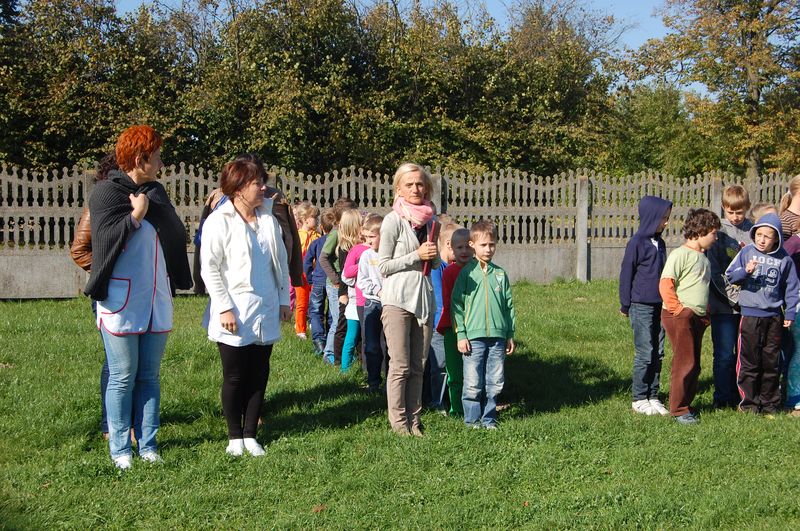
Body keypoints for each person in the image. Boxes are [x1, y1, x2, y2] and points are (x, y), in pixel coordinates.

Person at [85, 125, 192, 469]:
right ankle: (119, 450)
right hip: (120, 301)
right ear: (140, 158)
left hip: (155, 299)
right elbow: (103, 242)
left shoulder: (156, 192)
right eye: (157, 156)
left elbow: (175, 233)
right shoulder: (105, 193)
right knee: (122, 375)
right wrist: (135, 216)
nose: (161, 163)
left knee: (149, 376)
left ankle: (148, 445)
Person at [200, 160, 291, 457]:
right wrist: (224, 308)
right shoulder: (220, 220)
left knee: (259, 373)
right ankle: (234, 436)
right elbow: (210, 268)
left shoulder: (268, 219)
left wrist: (282, 300)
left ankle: (251, 433)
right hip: (235, 310)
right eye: (256, 183)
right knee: (235, 375)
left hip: (265, 307)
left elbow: (280, 263)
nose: (263, 187)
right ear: (238, 189)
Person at [379, 162, 440, 436]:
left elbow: (436, 263)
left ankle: (415, 420)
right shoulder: (393, 220)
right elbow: (383, 266)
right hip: (397, 300)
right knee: (400, 365)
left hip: (424, 299)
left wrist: (434, 256)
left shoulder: (432, 221)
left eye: (420, 184)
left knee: (419, 365)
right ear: (399, 189)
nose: (416, 189)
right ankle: (399, 423)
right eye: (409, 184)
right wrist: (417, 255)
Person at [192, 153, 303, 295]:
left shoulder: (275, 200)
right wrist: (200, 284)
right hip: (230, 284)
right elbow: (204, 245)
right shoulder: (218, 201)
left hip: (270, 278)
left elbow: (289, 237)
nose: (261, 187)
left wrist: (293, 277)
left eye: (260, 179)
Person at [725, 213, 800, 414]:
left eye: (767, 236)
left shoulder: (784, 259)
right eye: (759, 234)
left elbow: (792, 288)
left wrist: (790, 313)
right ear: (754, 234)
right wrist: (745, 272)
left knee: (771, 362)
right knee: (749, 361)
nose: (762, 239)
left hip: (774, 317)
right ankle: (749, 404)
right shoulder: (747, 252)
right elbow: (731, 276)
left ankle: (769, 405)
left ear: (776, 238)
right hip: (749, 316)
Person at [70, 152, 118, 440]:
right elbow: (78, 249)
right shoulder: (100, 202)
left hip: (138, 293)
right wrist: (105, 269)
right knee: (114, 361)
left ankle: (130, 420)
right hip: (108, 291)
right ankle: (108, 426)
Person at [451, 220, 516, 429]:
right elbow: (457, 305)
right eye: (483, 245)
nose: (488, 249)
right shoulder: (467, 273)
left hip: (497, 338)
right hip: (473, 338)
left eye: (492, 244)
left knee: (495, 381)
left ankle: (489, 419)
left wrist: (509, 333)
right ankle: (472, 421)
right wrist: (461, 334)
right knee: (472, 382)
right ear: (472, 245)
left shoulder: (500, 274)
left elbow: (508, 306)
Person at [659, 208, 720, 425]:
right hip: (681, 316)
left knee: (694, 364)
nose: (716, 238)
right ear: (700, 231)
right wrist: (679, 310)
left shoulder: (703, 257)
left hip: (698, 317)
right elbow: (666, 283)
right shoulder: (680, 254)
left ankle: (686, 404)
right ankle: (678, 409)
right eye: (713, 233)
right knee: (685, 362)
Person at [618, 196, 673, 416]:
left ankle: (653, 395)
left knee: (658, 352)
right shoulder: (637, 243)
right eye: (664, 219)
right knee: (645, 352)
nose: (666, 223)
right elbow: (626, 274)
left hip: (661, 305)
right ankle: (639, 397)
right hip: (640, 305)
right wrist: (625, 304)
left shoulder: (660, 243)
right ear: (651, 217)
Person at [706, 185, 752, 409]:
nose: (735, 217)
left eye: (739, 212)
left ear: (747, 209)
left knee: (744, 353)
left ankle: (742, 396)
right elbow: (715, 273)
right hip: (723, 305)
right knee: (724, 354)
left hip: (749, 305)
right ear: (724, 208)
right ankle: (723, 397)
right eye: (730, 212)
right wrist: (733, 297)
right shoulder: (718, 233)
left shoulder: (754, 231)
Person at [437, 227, 473, 417]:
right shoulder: (449, 272)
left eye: (468, 246)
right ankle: (456, 408)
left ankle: (474, 406)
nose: (464, 251)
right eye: (460, 247)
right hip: (452, 326)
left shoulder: (478, 269)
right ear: (451, 248)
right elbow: (448, 301)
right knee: (455, 370)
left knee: (474, 370)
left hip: (475, 327)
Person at [319, 197, 358, 365]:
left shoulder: (350, 234)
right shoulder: (336, 233)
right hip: (336, 285)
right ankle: (330, 355)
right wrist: (335, 279)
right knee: (338, 321)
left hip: (344, 284)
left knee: (342, 320)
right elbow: (323, 258)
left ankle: (342, 354)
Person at [427, 217, 457, 413]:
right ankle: (436, 402)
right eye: (461, 246)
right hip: (439, 326)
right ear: (448, 244)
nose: (468, 251)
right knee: (439, 365)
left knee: (449, 365)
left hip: (452, 325)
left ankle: (448, 399)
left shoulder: (453, 266)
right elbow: (439, 300)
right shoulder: (438, 268)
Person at [356, 214, 387, 392]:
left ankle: (391, 383)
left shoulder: (391, 254)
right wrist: (377, 290)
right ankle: (373, 381)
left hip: (391, 303)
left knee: (391, 346)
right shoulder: (367, 256)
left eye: (372, 237)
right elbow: (362, 281)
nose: (368, 241)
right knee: (372, 345)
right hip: (372, 303)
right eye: (366, 237)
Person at [337, 209, 365, 372]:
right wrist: (343, 293)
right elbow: (345, 275)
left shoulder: (359, 247)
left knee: (361, 337)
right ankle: (344, 367)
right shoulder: (347, 249)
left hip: (361, 298)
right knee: (350, 334)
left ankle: (362, 365)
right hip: (353, 299)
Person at [304, 210, 335, 355]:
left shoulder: (317, 242)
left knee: (315, 311)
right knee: (332, 312)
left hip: (318, 280)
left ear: (321, 227)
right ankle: (330, 338)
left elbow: (307, 262)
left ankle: (319, 341)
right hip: (333, 281)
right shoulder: (338, 241)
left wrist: (310, 277)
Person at [294, 201, 321, 340]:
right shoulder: (298, 235)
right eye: (314, 218)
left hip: (314, 273)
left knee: (314, 300)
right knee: (301, 302)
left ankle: (313, 322)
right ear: (305, 219)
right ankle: (300, 329)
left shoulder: (317, 236)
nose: (316, 220)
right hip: (301, 274)